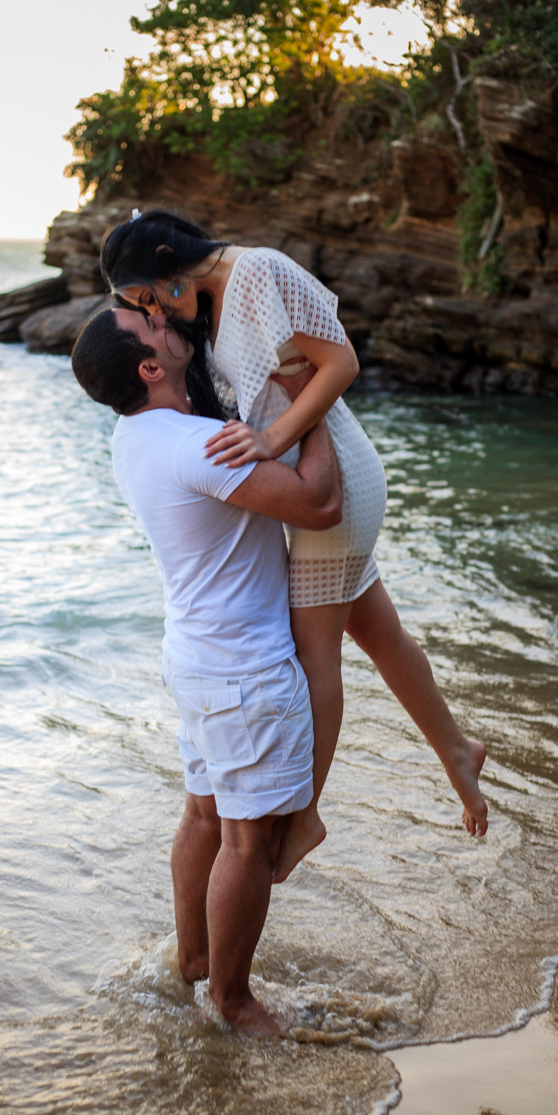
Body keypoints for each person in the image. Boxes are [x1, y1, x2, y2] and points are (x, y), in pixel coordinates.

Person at [99, 210, 489, 881]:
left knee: (315, 656)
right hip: (307, 483)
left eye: (149, 296)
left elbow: (342, 363)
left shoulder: (257, 270)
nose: (156, 311)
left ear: (166, 257)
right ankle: (458, 751)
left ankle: (305, 814)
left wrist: (273, 440)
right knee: (378, 632)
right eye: (143, 308)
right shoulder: (205, 303)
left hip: (336, 484)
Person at [71, 305, 342, 1036]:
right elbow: (320, 503)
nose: (163, 317)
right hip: (242, 672)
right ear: (149, 368)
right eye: (150, 323)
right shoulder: (198, 447)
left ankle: (193, 959)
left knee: (203, 815)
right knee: (248, 842)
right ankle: (231, 1000)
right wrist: (310, 405)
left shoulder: (134, 436)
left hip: (196, 660)